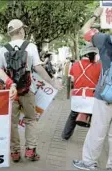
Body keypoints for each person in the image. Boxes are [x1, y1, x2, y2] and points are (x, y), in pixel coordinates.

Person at [0, 19, 62, 162]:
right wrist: (52, 81)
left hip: (10, 92)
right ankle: (30, 150)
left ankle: (14, 152)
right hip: (28, 89)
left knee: (12, 122)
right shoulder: (30, 46)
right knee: (31, 120)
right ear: (20, 31)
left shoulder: (2, 49)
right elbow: (38, 67)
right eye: (23, 29)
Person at [73, 7, 112, 170]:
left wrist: (97, 14)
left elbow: (85, 30)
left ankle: (89, 162)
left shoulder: (105, 40)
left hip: (105, 95)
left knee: (97, 130)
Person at [61, 44, 101, 140]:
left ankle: (65, 135)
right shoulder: (99, 66)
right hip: (92, 96)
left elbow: (72, 80)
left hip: (77, 96)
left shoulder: (75, 64)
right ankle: (94, 139)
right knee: (95, 118)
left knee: (73, 115)